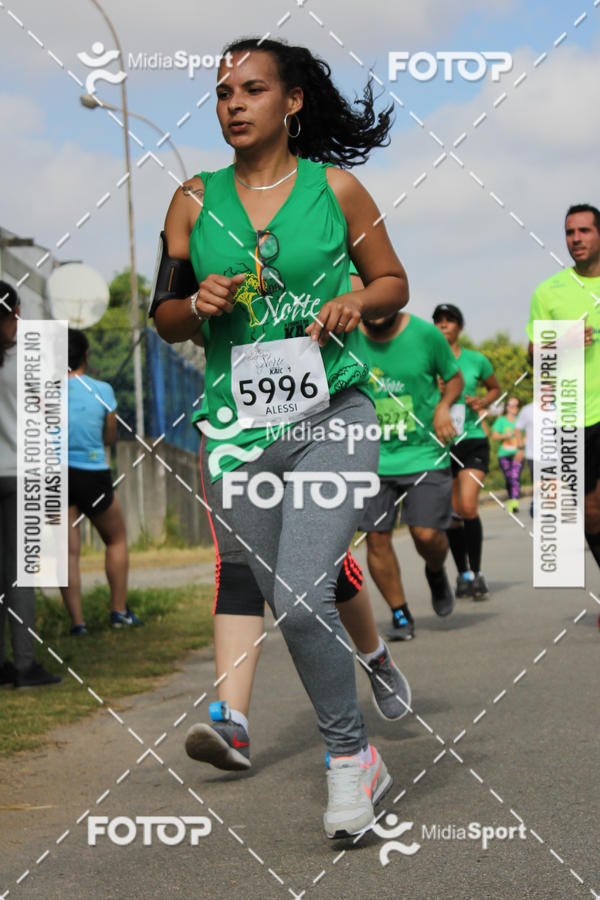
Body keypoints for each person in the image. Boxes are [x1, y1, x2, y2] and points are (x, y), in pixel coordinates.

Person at [151, 36, 409, 838]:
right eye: (223, 91)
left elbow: (394, 282)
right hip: (237, 435)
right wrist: (199, 305)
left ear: (291, 101)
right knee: (282, 594)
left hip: (334, 415)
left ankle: (347, 759)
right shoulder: (192, 200)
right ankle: (357, 720)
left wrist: (355, 304)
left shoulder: (337, 189)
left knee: (300, 601)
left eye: (252, 89)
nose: (233, 103)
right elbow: (162, 316)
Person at [189, 433, 411, 763]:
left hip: (312, 427)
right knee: (239, 566)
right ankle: (232, 724)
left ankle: (374, 656)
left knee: (322, 564)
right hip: (233, 430)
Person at [355, 310, 463, 640]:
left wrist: (444, 406)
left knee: (426, 535)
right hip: (370, 455)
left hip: (424, 452)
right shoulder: (346, 335)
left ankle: (435, 570)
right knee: (376, 537)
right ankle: (400, 614)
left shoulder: (425, 335)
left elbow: (454, 377)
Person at [527, 204, 600, 579]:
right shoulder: (549, 291)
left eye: (584, 231)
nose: (576, 239)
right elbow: (532, 355)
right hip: (576, 416)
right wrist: (564, 340)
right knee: (591, 513)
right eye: (570, 233)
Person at [59, 329, 142, 633]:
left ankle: (77, 624)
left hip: (54, 474)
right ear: (86, 356)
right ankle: (118, 612)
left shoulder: (42, 389)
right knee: (116, 539)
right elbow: (109, 437)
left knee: (67, 550)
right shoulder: (102, 390)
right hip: (92, 473)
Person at [0, 281, 61, 688]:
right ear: (16, 312)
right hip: (20, 473)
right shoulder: (29, 358)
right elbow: (52, 416)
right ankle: (25, 666)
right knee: (20, 575)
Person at [433, 303, 501, 600]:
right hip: (440, 442)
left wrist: (483, 402)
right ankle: (463, 573)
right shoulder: (428, 360)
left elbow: (494, 389)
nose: (444, 325)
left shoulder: (476, 360)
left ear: (460, 326)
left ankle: (478, 571)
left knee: (468, 506)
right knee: (451, 513)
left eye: (450, 320)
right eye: (438, 321)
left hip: (472, 438)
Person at [491, 398, 524, 515]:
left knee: (515, 478)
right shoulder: (501, 421)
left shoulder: (521, 421)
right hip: (504, 454)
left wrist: (521, 445)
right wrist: (506, 435)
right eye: (511, 405)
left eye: (516, 406)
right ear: (507, 407)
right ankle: (511, 499)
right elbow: (494, 436)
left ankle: (514, 503)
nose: (514, 408)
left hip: (517, 454)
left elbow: (528, 435)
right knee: (509, 478)